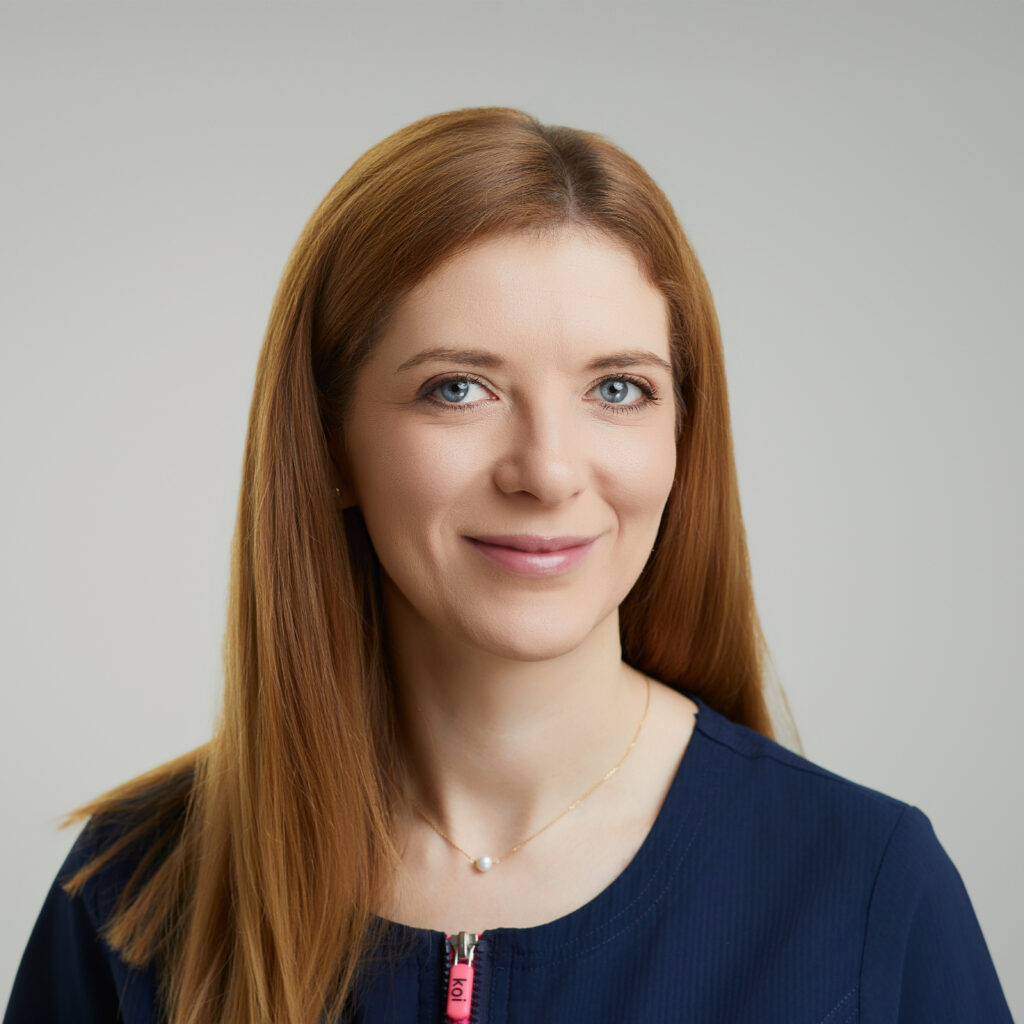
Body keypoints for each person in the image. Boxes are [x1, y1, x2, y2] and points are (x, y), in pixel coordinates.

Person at [3, 106, 1013, 1024]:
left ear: (681, 435)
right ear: (329, 443)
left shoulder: (866, 885)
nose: (548, 471)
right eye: (458, 389)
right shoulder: (135, 891)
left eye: (617, 389)